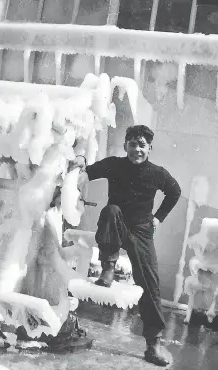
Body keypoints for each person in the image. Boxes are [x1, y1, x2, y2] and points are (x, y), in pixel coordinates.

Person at [70, 125, 181, 366]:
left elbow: (175, 192)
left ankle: (154, 344)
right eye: (132, 144)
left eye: (142, 145)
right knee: (110, 210)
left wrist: (158, 218)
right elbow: (88, 170)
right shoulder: (115, 164)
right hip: (117, 224)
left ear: (149, 148)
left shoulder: (157, 173)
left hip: (141, 230)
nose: (137, 150)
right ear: (125, 146)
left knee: (150, 284)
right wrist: (78, 161)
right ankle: (108, 267)